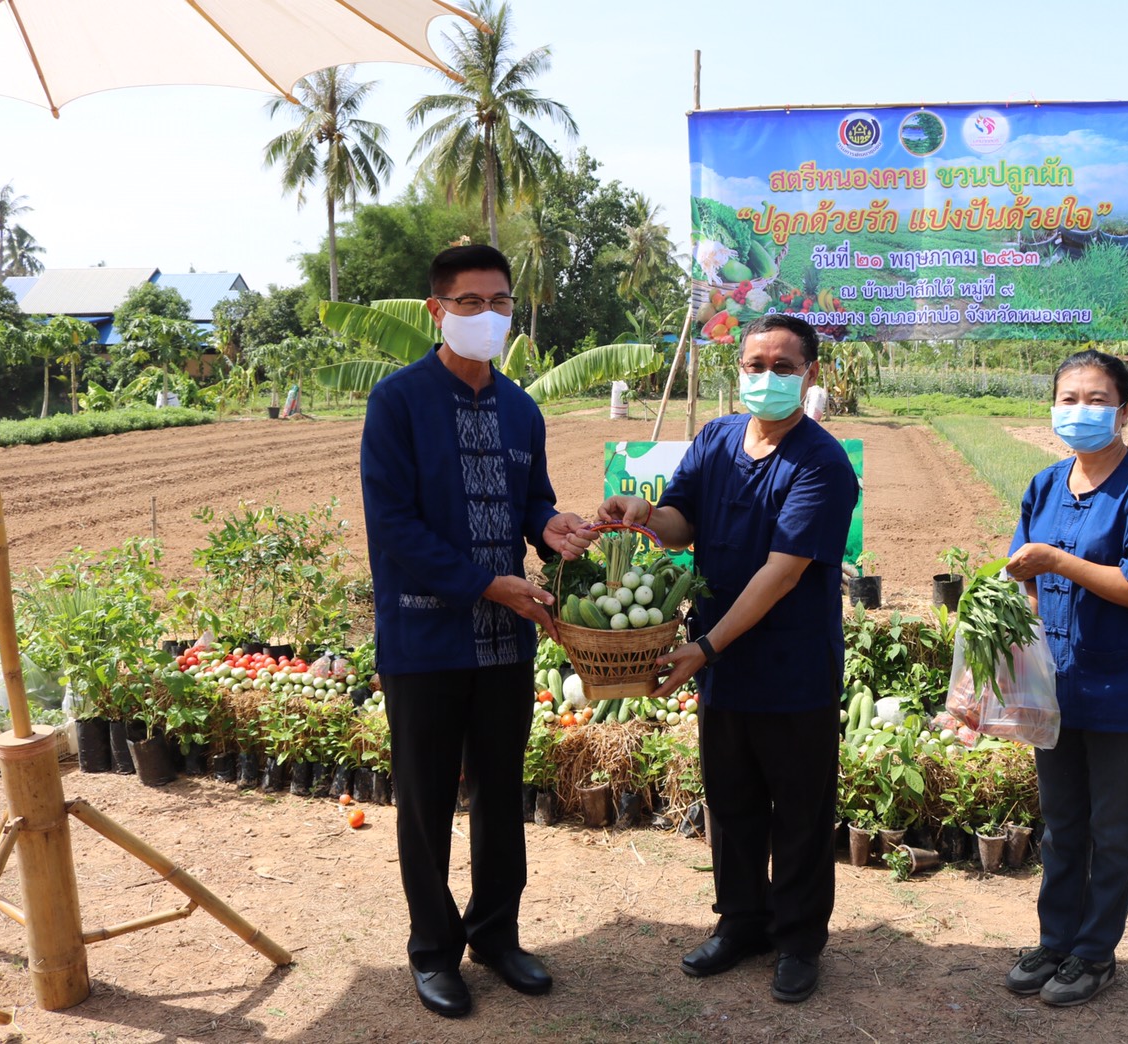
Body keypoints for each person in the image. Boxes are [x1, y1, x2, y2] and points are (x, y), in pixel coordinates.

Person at [360, 244, 597, 1020]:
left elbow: (534, 501)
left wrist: (552, 525)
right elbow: (394, 528)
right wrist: (484, 582)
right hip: (425, 641)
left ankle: (496, 934)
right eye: (470, 303)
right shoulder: (397, 402)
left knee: (500, 794)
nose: (487, 316)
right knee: (426, 801)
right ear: (437, 310)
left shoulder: (521, 408)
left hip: (505, 641)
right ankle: (435, 950)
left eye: (500, 303)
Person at [597, 313, 857, 1005]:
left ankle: (800, 940)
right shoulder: (714, 438)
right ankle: (742, 921)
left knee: (799, 811)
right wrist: (644, 515)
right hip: (724, 666)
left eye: (781, 366)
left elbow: (781, 572)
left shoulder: (822, 464)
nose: (764, 377)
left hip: (791, 666)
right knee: (734, 801)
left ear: (810, 375)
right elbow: (683, 521)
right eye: (753, 364)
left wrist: (706, 646)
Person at [1000, 348, 1128, 1007]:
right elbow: (1025, 580)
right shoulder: (1044, 486)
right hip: (1057, 684)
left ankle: (1093, 954)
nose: (1079, 411)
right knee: (1061, 823)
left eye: (1096, 400)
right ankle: (1056, 942)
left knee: (1111, 829)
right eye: (1069, 399)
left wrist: (1057, 559)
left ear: (1127, 408)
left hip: (1119, 688)